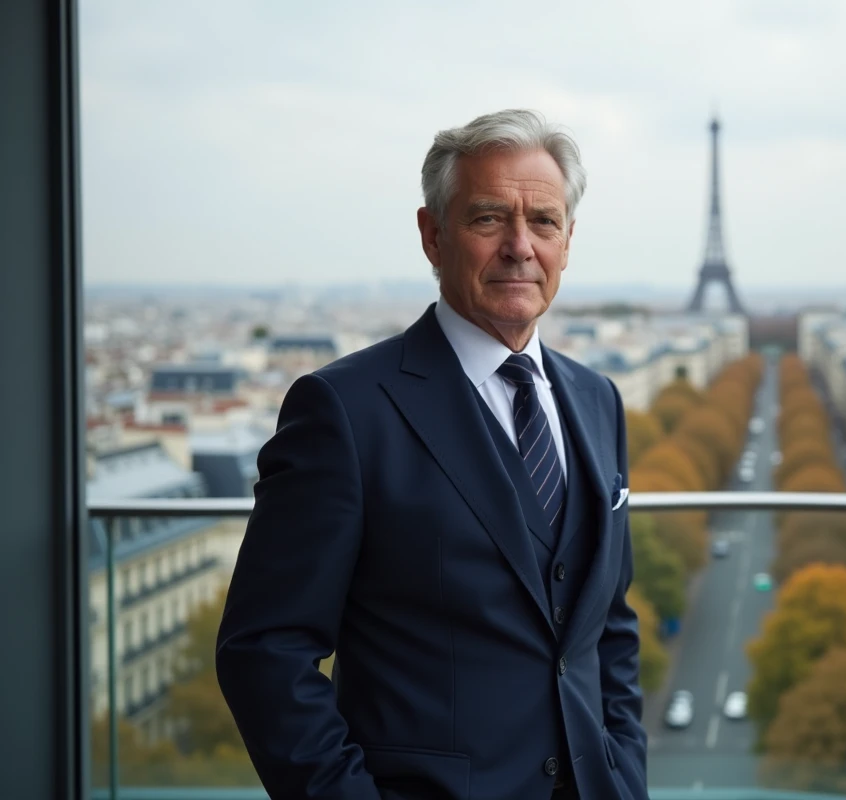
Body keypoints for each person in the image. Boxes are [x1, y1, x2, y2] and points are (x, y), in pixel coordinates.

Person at [215, 109, 648, 800]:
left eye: (543, 221)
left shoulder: (598, 400)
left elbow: (609, 626)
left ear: (567, 241)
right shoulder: (344, 410)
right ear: (432, 235)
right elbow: (265, 651)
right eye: (488, 219)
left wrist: (624, 773)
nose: (519, 247)